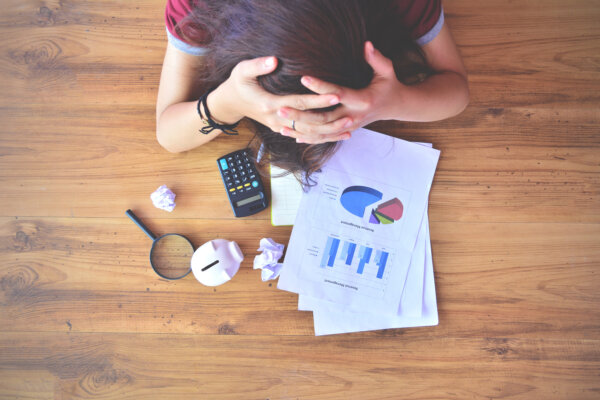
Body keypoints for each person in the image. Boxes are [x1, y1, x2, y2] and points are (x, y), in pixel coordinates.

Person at [156, 0, 468, 182]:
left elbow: (456, 90)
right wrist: (228, 100)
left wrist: (393, 101)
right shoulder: (197, 7)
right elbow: (169, 134)